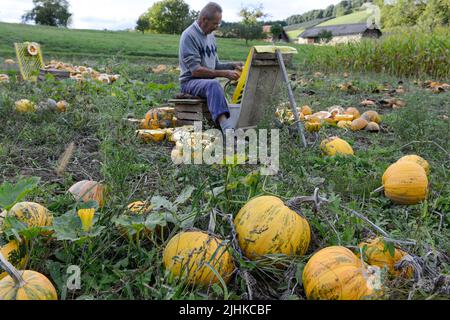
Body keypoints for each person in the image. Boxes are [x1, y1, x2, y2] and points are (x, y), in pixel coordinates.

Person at [179, 2, 243, 133]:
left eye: (218, 24)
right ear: (204, 20)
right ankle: (227, 130)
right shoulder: (189, 36)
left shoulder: (211, 37)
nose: (217, 27)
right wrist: (225, 73)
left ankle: (229, 125)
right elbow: (196, 71)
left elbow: (215, 65)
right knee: (213, 85)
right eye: (215, 24)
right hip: (189, 82)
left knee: (214, 84)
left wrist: (232, 65)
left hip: (205, 82)